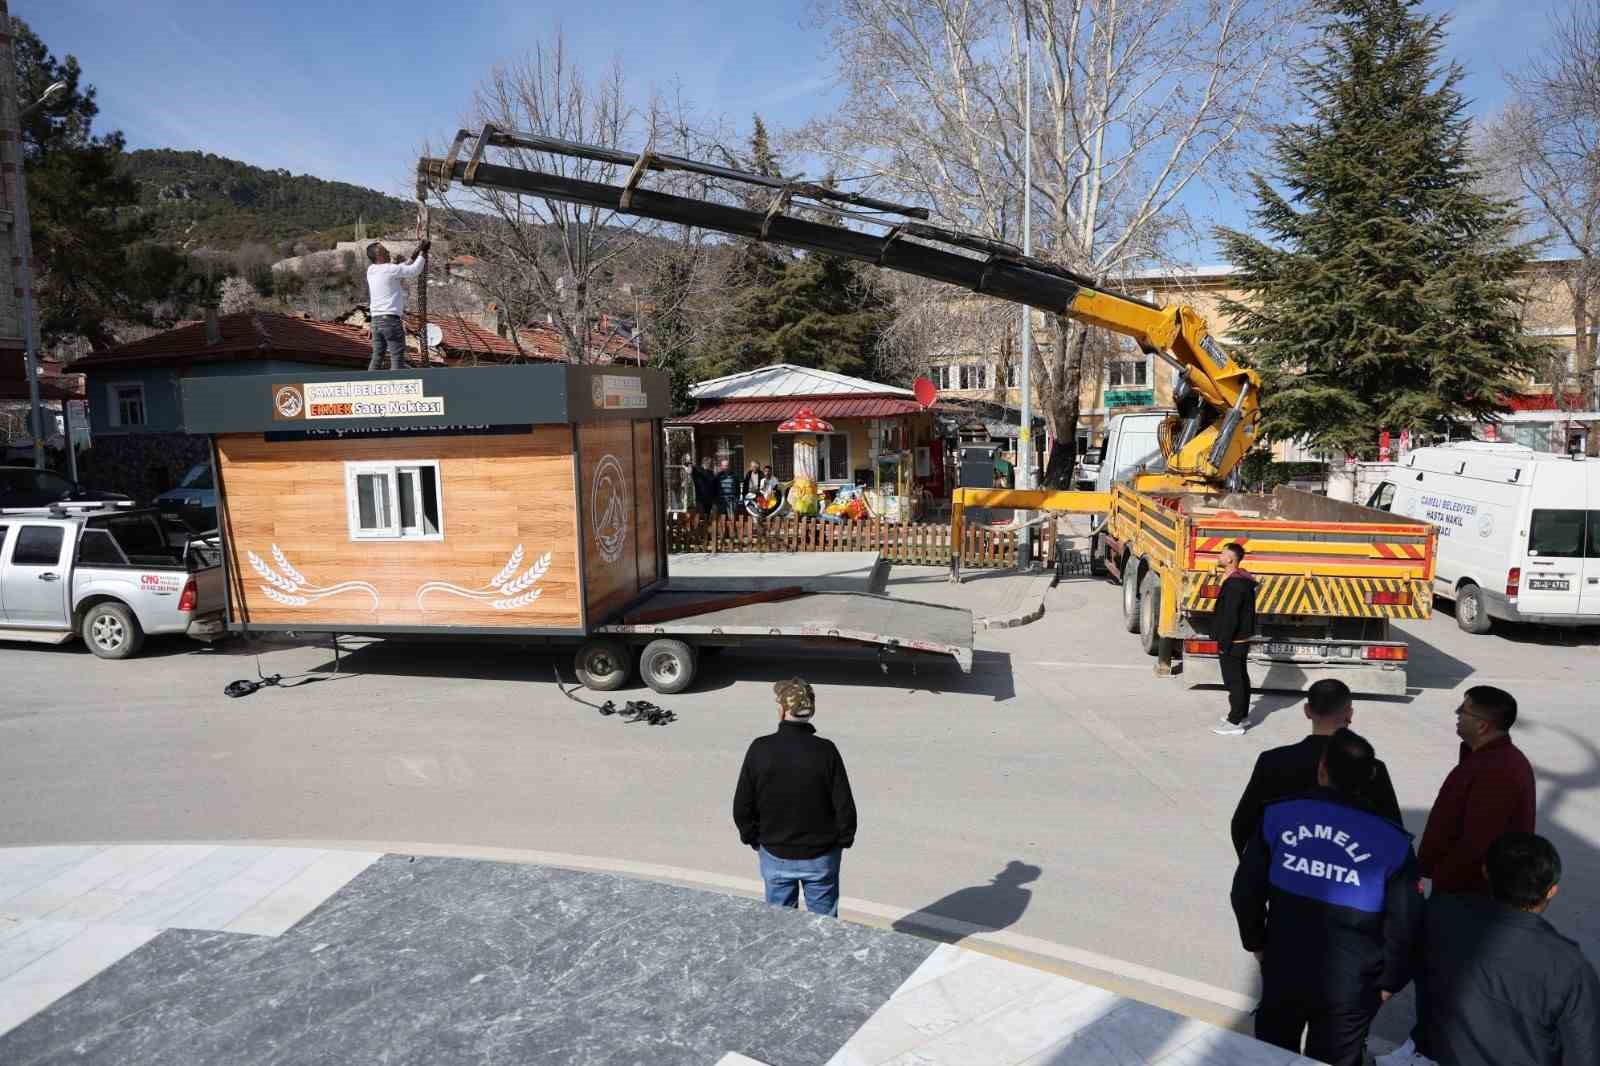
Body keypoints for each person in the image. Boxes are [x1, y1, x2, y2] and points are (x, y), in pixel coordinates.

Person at [1232, 728, 1423, 1066]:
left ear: (1322, 770)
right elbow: (1406, 925)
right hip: (1351, 986)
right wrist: (1388, 983)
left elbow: (1245, 891)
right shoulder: (1393, 843)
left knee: (1272, 1056)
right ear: (1370, 778)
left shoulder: (1278, 817)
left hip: (1283, 967)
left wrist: (1258, 945)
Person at [1378, 685, 1539, 1066]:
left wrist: (1434, 878)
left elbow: (1478, 843)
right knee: (1438, 972)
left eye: (1464, 710)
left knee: (1443, 974)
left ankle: (1430, 1052)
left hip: (1469, 894)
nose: (1456, 713)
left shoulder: (1498, 769)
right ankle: (1423, 1043)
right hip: (1460, 889)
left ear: (1483, 725)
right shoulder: (1483, 757)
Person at [1415, 832, 1600, 1066]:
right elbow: (1584, 1056)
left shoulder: (1440, 914)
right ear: (1552, 890)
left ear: (1485, 872)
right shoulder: (1571, 968)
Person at [1230, 678, 1402, 857]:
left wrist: (1259, 866)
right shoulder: (1372, 768)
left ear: (1307, 711)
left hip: (1283, 872)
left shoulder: (1272, 761)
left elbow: (1242, 825)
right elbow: (1393, 831)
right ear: (1349, 714)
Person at [732, 677, 857, 917]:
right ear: (811, 711)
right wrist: (843, 841)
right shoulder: (826, 750)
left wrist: (754, 840)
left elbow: (742, 807)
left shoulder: (760, 748)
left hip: (775, 854)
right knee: (825, 928)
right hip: (821, 857)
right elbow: (844, 805)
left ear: (781, 710)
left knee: (780, 927)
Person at [1211, 542, 1258, 736]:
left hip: (1234, 640)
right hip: (1240, 638)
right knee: (1241, 677)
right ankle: (1243, 715)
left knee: (1233, 681)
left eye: (1222, 554)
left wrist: (1223, 642)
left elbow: (1231, 616)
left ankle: (1235, 721)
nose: (1219, 557)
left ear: (1230, 559)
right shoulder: (1242, 579)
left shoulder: (1234, 584)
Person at [364, 239, 429, 371]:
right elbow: (413, 270)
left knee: (377, 357)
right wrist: (424, 252)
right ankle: (396, 385)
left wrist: (415, 252)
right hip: (390, 321)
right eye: (384, 250)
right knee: (397, 356)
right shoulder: (391, 269)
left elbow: (401, 268)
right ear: (379, 256)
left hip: (375, 322)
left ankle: (369, 383)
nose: (388, 252)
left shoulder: (371, 270)